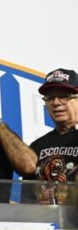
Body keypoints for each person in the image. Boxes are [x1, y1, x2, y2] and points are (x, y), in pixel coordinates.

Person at [27, 68, 78, 204]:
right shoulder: (37, 146)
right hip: (45, 215)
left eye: (64, 96)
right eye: (50, 98)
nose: (56, 103)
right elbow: (27, 196)